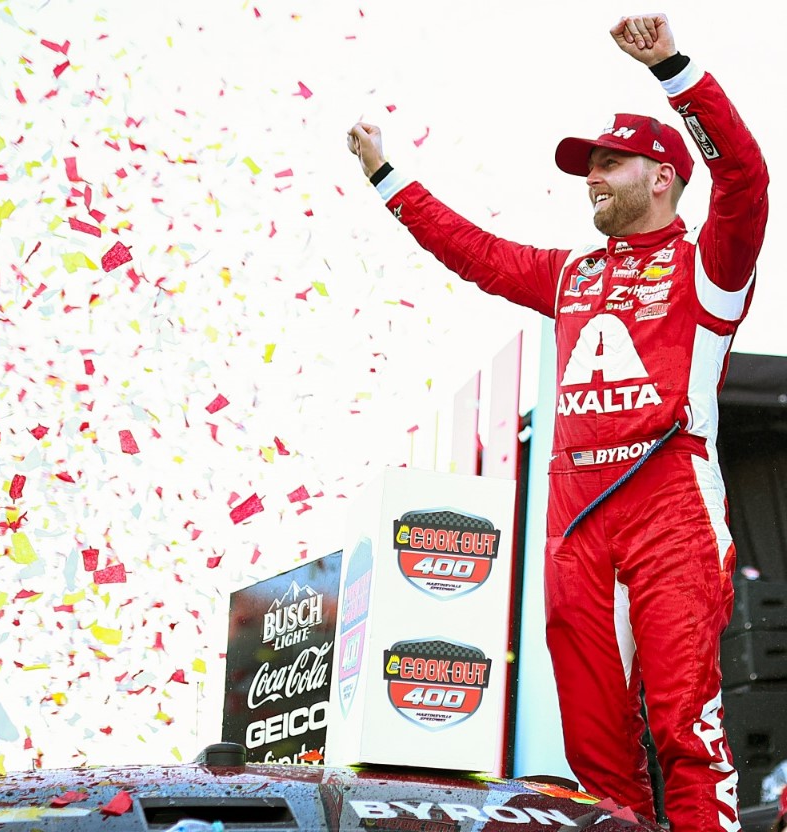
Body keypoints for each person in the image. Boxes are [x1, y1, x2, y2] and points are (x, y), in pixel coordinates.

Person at [347, 12, 768, 832]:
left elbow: (747, 178)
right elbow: (474, 251)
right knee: (596, 758)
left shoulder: (710, 264)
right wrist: (386, 176)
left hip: (670, 506)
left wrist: (676, 71)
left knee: (685, 731)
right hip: (575, 522)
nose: (592, 178)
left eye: (610, 163)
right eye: (589, 167)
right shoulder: (569, 273)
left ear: (663, 176)